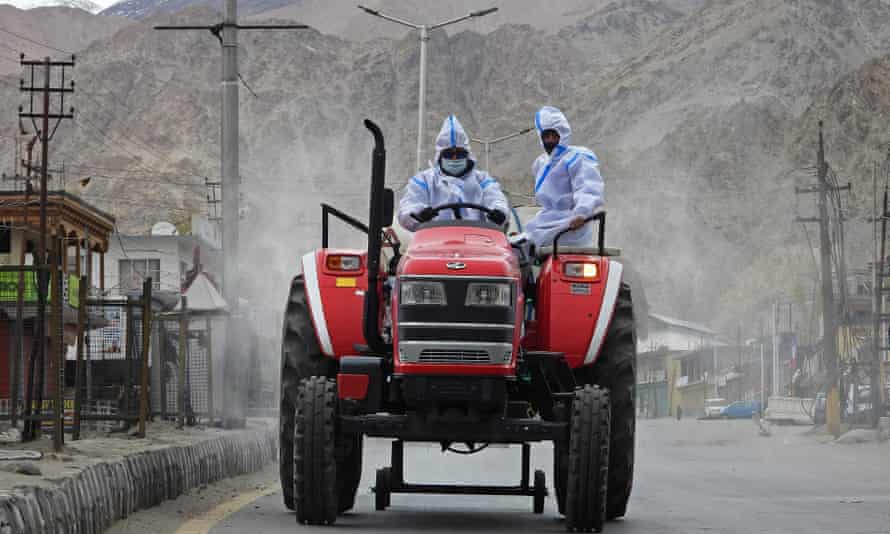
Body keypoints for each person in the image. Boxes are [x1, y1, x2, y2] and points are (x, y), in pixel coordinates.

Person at [397, 115, 509, 231]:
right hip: (434, 242)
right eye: (449, 154)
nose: (455, 159)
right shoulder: (423, 180)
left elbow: (496, 199)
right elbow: (408, 207)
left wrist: (499, 212)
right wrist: (419, 214)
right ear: (440, 156)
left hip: (477, 242)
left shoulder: (483, 180)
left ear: (468, 155)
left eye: (460, 154)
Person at [525, 106, 604, 248]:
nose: (550, 140)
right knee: (515, 247)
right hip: (546, 221)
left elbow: (588, 187)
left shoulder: (577, 156)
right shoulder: (540, 163)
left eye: (554, 135)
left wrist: (581, 213)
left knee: (530, 246)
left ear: (563, 133)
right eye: (546, 136)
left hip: (570, 224)